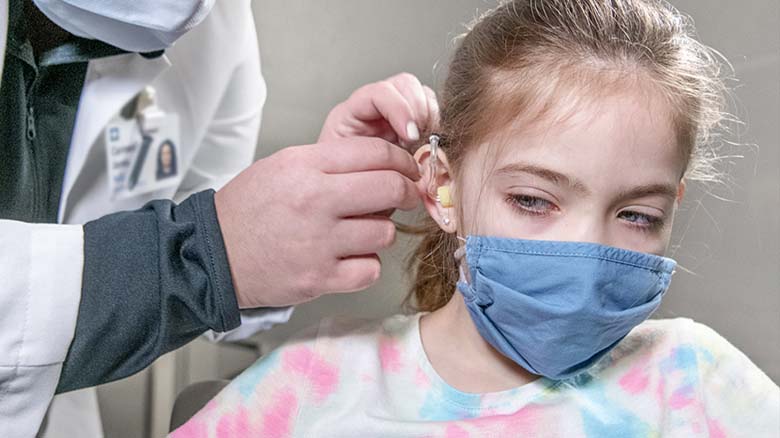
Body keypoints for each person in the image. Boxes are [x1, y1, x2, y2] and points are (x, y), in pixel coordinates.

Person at [170, 0, 780, 436]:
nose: (586, 252)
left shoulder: (697, 382)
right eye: (533, 201)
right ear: (442, 186)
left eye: (637, 215)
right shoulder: (315, 384)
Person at [0, 0, 438, 436]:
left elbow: (213, 221)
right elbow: (205, 246)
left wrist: (325, 184)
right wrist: (202, 256)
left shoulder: (214, 26)